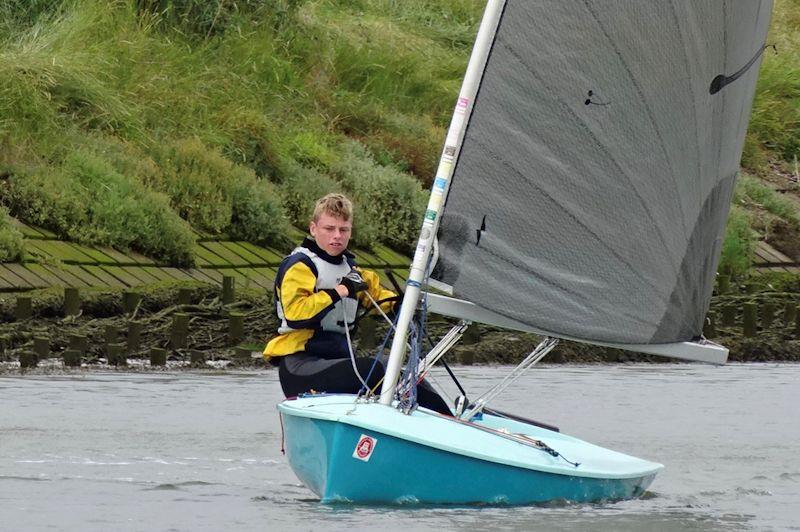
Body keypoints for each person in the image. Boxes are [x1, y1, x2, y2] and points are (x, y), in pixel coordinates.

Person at [264, 193, 451, 415]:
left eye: (344, 230)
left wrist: (401, 307)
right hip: (300, 367)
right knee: (379, 368)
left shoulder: (353, 272)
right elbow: (296, 314)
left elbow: (380, 297)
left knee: (399, 372)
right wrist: (339, 291)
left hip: (336, 362)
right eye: (329, 229)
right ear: (313, 229)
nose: (337, 236)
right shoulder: (300, 267)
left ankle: (450, 419)